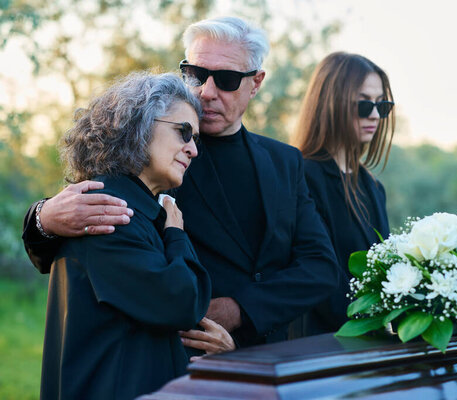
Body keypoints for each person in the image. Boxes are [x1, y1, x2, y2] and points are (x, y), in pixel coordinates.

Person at [23, 16, 339, 349]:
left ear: (256, 83)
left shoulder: (285, 161)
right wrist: (43, 218)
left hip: (265, 354)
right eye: (196, 74)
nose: (207, 92)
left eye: (227, 79)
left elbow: (319, 266)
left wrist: (238, 311)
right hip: (171, 357)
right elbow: (93, 229)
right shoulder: (150, 150)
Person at [40, 72, 235, 400]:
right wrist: (176, 233)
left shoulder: (135, 205)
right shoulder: (110, 210)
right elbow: (180, 302)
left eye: (195, 139)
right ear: (139, 125)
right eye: (183, 132)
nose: (193, 150)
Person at [289, 52, 395, 337]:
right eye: (363, 104)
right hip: (321, 346)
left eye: (381, 105)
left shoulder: (372, 186)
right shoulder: (302, 176)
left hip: (369, 343)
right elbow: (318, 276)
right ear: (332, 103)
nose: (374, 114)